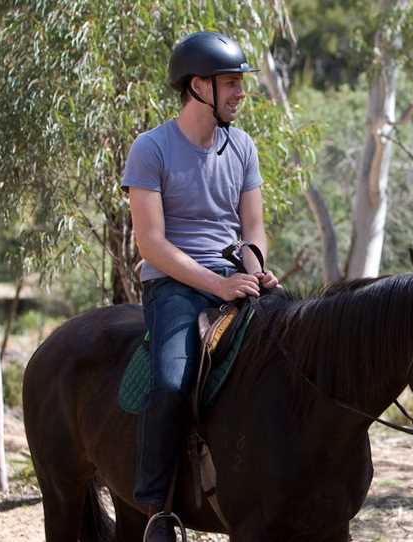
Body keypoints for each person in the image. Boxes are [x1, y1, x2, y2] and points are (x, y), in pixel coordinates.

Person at [121, 31, 279, 541]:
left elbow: (252, 226)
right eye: (230, 83)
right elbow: (151, 243)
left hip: (234, 279)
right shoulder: (151, 149)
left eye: (239, 83)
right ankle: (157, 508)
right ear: (198, 86)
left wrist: (253, 267)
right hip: (173, 286)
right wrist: (218, 282)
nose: (239, 93)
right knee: (170, 383)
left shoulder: (243, 146)